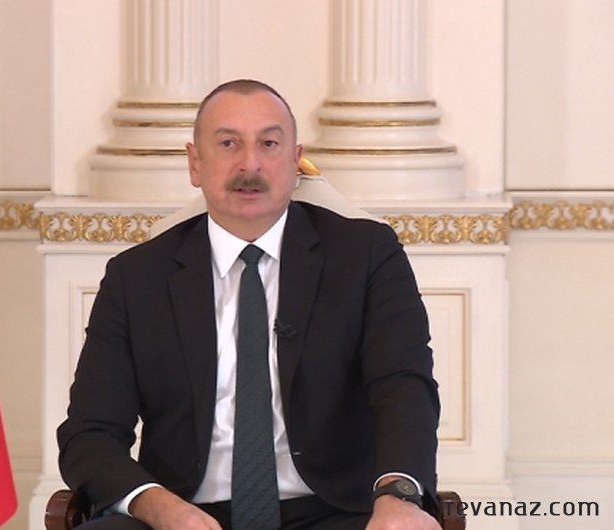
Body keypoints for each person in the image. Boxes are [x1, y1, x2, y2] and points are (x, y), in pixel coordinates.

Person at [57, 79, 441, 530]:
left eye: (269, 144)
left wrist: (398, 496)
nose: (250, 164)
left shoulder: (366, 255)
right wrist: (158, 506)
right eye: (228, 144)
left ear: (295, 161)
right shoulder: (137, 277)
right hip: (181, 512)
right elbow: (90, 433)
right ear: (195, 163)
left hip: (335, 512)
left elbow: (403, 387)